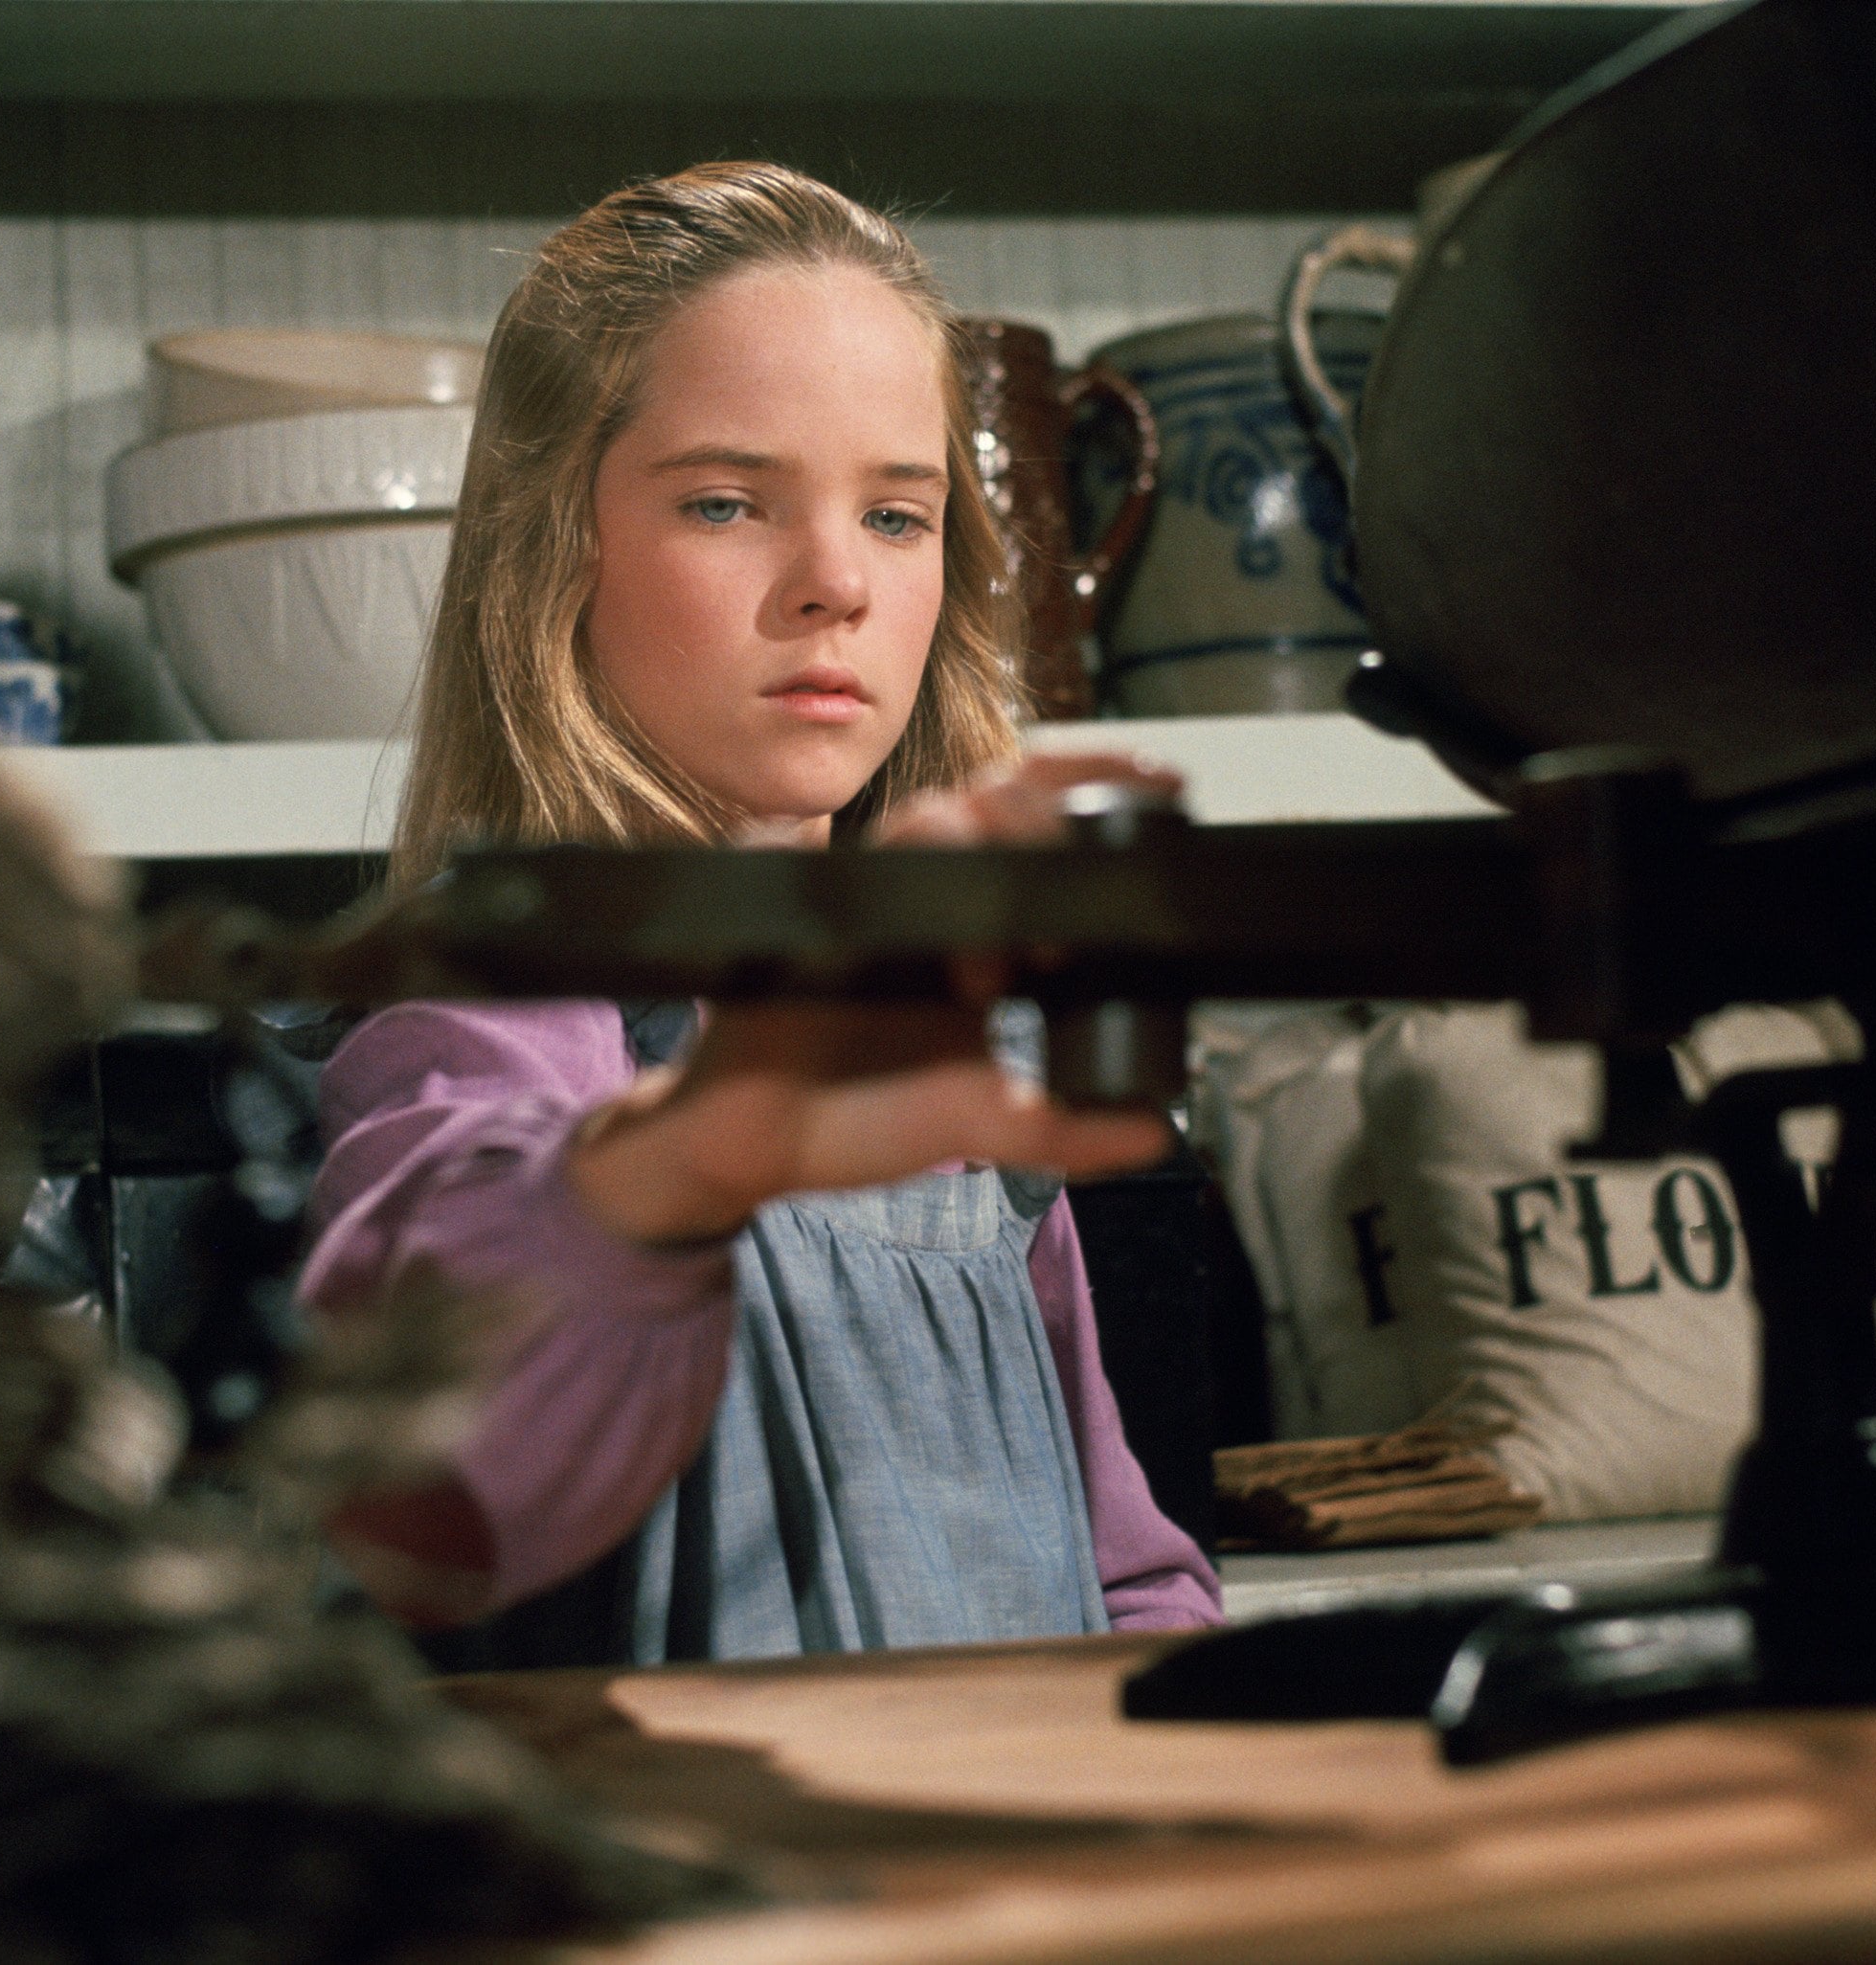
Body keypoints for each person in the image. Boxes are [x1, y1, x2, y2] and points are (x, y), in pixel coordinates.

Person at [299, 161, 1223, 1666]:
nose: (835, 583)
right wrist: (687, 1155)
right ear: (552, 550)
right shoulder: (498, 1019)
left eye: (898, 515)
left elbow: (1128, 1571)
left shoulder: (974, 1060)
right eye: (726, 503)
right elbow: (435, 1428)